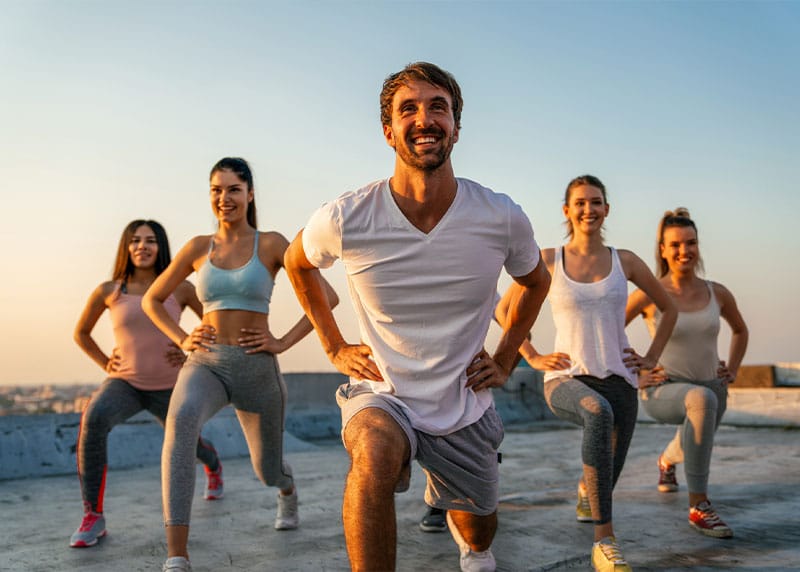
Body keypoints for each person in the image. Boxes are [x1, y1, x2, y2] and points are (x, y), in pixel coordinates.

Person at [284, 62, 551, 572]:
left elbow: (537, 281)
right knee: (373, 457)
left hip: (464, 401)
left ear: (455, 126)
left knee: (478, 535)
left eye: (438, 107)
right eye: (409, 109)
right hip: (384, 395)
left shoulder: (500, 216)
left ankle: (463, 527)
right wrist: (333, 345)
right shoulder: (346, 216)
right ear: (389, 131)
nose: (424, 119)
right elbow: (296, 263)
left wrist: (506, 356)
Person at [142, 158, 338, 572]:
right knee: (179, 429)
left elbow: (327, 299)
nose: (224, 198)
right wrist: (182, 338)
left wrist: (282, 341)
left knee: (266, 470)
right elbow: (152, 300)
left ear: (250, 193)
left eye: (233, 189)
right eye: (216, 189)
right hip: (206, 363)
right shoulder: (198, 247)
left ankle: (286, 489)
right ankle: (177, 554)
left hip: (256, 368)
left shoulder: (270, 244)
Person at [500, 175, 678, 572]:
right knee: (597, 414)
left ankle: (587, 491)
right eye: (580, 203)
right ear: (567, 210)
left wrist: (650, 357)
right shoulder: (547, 260)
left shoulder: (626, 261)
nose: (588, 209)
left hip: (619, 378)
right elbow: (503, 310)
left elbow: (669, 308)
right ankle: (605, 541)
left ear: (606, 209)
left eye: (596, 202)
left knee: (605, 479)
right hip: (566, 378)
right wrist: (530, 354)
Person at [70, 219, 222, 549]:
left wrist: (188, 351)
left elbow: (214, 324)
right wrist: (104, 362)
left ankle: (214, 466)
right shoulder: (110, 291)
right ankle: (93, 515)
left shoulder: (179, 288)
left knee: (192, 445)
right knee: (94, 418)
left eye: (150, 240)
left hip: (171, 386)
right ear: (126, 247)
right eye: (135, 240)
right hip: (124, 383)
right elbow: (81, 333)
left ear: (160, 247)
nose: (142, 246)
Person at [626, 208, 748, 538]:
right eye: (675, 244)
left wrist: (732, 369)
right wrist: (634, 374)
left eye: (690, 243)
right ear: (663, 250)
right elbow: (608, 332)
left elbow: (740, 330)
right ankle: (699, 506)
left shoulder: (716, 292)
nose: (684, 251)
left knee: (698, 427)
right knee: (700, 400)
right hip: (663, 389)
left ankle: (666, 462)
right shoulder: (649, 293)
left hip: (712, 386)